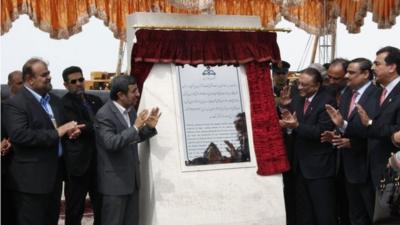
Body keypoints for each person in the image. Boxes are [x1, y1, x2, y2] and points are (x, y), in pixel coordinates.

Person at [2, 58, 85, 225]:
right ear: (30, 79)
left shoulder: (54, 101)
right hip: (31, 182)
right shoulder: (16, 104)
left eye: (49, 73)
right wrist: (58, 132)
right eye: (44, 74)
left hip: (54, 177)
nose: (49, 77)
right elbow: (20, 135)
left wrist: (70, 132)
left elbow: (58, 129)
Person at [95, 75, 161, 225]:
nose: (138, 94)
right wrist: (136, 127)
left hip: (132, 182)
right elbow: (111, 143)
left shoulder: (130, 111)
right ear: (120, 95)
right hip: (114, 185)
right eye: (134, 91)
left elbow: (132, 139)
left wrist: (149, 128)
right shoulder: (104, 114)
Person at [323, 58, 379, 224]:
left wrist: (352, 142)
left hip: (368, 166)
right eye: (346, 72)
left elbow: (376, 131)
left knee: (374, 214)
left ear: (366, 74)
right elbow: (345, 125)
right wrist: (338, 132)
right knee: (355, 215)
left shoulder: (377, 94)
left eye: (351, 73)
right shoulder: (347, 93)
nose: (347, 76)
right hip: (348, 166)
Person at [279, 67, 337, 225]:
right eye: (298, 83)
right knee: (304, 213)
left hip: (319, 168)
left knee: (324, 213)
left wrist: (296, 126)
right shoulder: (297, 98)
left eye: (304, 85)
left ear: (317, 85)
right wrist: (285, 108)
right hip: (299, 166)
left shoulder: (327, 101)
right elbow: (292, 120)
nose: (299, 88)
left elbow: (322, 132)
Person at [61, 66, 103, 225]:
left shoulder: (95, 100)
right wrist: (96, 125)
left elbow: (101, 123)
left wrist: (92, 126)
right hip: (78, 166)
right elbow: (78, 125)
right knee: (74, 210)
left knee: (101, 208)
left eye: (81, 79)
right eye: (74, 81)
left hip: (99, 163)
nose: (79, 83)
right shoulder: (64, 103)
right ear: (66, 85)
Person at [356, 46, 400, 189]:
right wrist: (342, 124)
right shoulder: (378, 92)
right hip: (371, 167)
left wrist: (369, 123)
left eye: (377, 64)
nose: (373, 68)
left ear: (392, 67)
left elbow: (397, 132)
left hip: (392, 168)